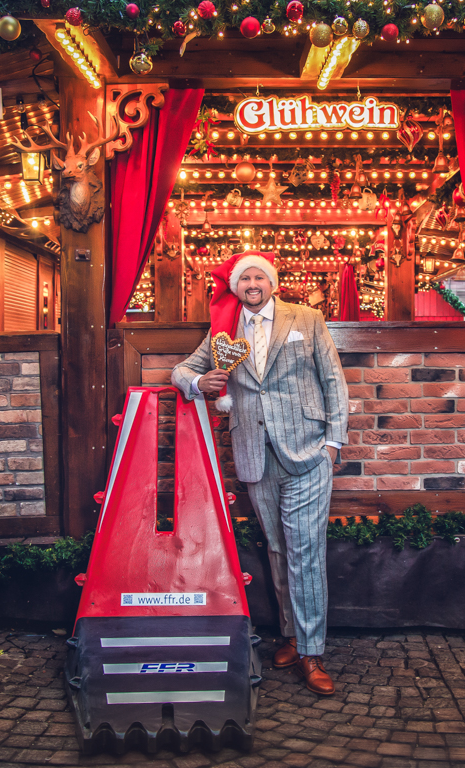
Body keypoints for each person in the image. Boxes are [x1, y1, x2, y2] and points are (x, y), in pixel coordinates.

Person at [172, 251, 349, 695]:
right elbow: (181, 371)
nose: (252, 283)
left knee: (305, 553)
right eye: (244, 277)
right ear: (235, 287)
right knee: (276, 550)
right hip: (255, 455)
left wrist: (333, 443)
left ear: (272, 282)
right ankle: (291, 634)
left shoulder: (306, 318)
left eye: (259, 276)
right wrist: (199, 384)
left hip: (307, 453)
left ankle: (312, 653)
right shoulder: (222, 332)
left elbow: (334, 381)